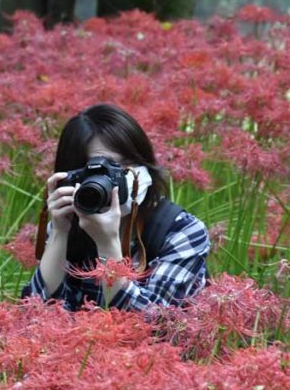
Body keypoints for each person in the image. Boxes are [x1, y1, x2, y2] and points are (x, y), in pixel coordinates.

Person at [21, 103, 210, 312]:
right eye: (100, 171)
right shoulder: (71, 227)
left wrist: (107, 244)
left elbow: (156, 326)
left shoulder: (182, 231)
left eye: (127, 164)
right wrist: (59, 232)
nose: (116, 178)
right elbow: (36, 316)